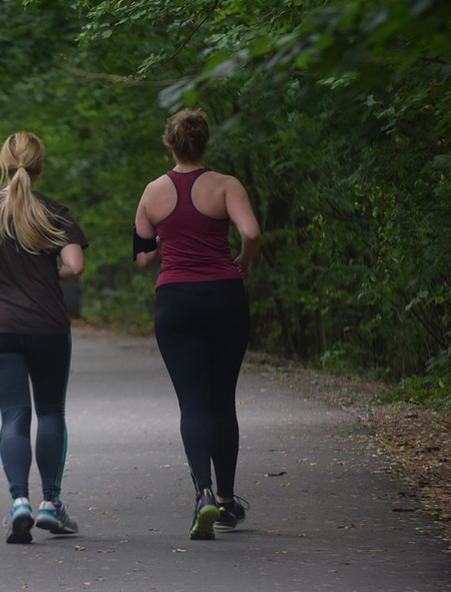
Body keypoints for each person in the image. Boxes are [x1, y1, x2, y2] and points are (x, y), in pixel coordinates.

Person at [0, 131, 88, 544]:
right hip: (47, 326)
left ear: (3, 164)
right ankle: (51, 503)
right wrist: (46, 273)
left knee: (14, 415)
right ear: (39, 166)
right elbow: (74, 266)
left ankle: (19, 502)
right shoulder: (55, 212)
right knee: (50, 412)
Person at [133, 108, 261, 540]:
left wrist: (162, 244)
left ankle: (202, 493)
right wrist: (243, 260)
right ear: (206, 142)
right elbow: (251, 232)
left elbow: (143, 258)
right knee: (222, 401)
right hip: (225, 297)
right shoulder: (226, 185)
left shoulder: (152, 192)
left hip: (176, 302)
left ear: (169, 143)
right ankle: (226, 501)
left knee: (192, 404)